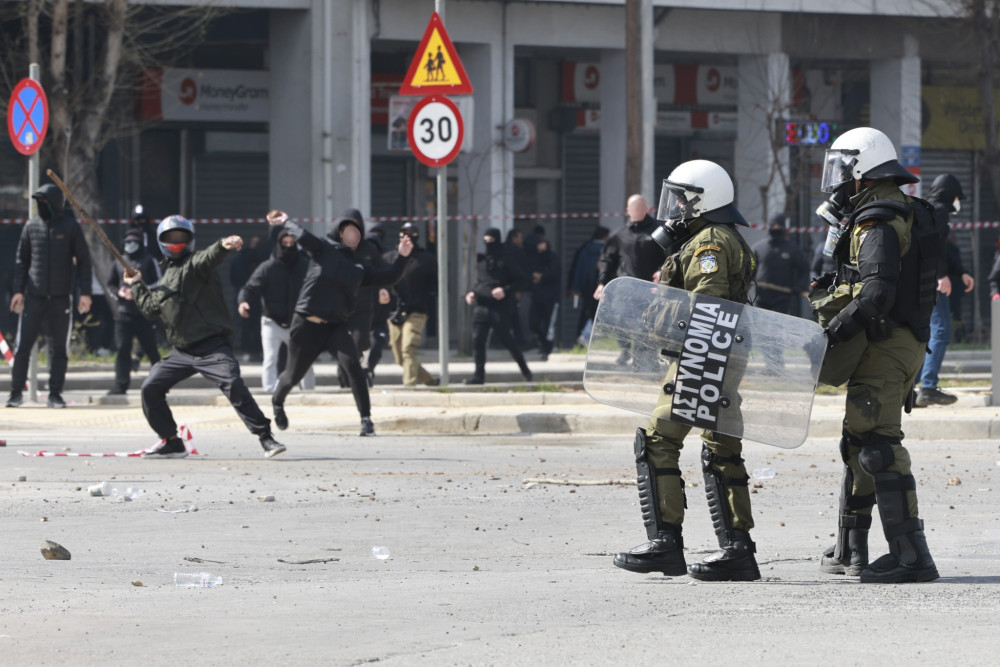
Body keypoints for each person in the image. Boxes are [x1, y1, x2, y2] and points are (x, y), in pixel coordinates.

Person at [612, 159, 761, 582]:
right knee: (721, 447)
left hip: (704, 356)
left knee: (657, 441)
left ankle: (665, 545)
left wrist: (658, 307)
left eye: (680, 199)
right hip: (722, 354)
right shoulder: (719, 236)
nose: (673, 208)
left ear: (702, 200)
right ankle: (738, 552)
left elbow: (705, 309)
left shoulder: (710, 243)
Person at [810, 126, 939, 583]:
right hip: (894, 342)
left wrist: (834, 333)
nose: (838, 180)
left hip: (887, 343)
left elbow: (878, 292)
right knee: (859, 441)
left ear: (862, 170)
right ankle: (850, 549)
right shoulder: (897, 209)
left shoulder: (878, 220)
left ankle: (912, 556)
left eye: (843, 169)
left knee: (879, 446)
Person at [123, 215, 286, 458]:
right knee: (150, 388)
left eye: (181, 237)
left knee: (232, 383)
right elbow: (150, 309)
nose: (177, 242)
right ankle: (171, 441)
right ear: (161, 242)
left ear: (190, 240)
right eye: (171, 238)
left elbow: (210, 255)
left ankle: (265, 436)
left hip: (213, 348)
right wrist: (136, 284)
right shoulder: (165, 280)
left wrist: (224, 244)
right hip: (182, 352)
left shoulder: (196, 264)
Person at [270, 212, 412, 437]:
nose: (353, 235)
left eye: (357, 232)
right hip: (306, 323)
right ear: (338, 232)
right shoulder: (322, 249)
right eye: (348, 231)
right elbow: (302, 235)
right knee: (293, 374)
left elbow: (389, 276)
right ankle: (277, 402)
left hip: (335, 325)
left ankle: (366, 420)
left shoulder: (360, 266)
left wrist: (403, 257)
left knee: (353, 367)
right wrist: (286, 221)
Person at [7, 183, 93, 409]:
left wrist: (85, 293)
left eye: (44, 203)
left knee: (59, 350)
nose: (40, 207)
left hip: (61, 298)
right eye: (38, 203)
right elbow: (21, 261)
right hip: (33, 297)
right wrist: (18, 291)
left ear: (55, 204)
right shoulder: (30, 226)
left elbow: (84, 262)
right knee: (22, 346)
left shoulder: (70, 227)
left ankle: (55, 394)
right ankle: (15, 393)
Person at [915, 174, 973, 407]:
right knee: (940, 331)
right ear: (951, 194)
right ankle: (928, 386)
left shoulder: (931, 210)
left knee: (927, 334)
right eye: (958, 196)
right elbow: (933, 247)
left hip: (924, 280)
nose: (958, 201)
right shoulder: (938, 212)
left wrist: (960, 272)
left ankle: (912, 388)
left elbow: (944, 249)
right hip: (932, 280)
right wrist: (940, 276)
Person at [237, 216, 313, 393]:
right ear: (278, 244)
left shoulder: (305, 265)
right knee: (270, 359)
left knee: (305, 359)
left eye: (291, 242)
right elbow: (249, 288)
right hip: (272, 320)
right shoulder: (268, 267)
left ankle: (310, 392)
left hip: (298, 321)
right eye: (284, 242)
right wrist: (243, 302)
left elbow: (318, 287)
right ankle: (269, 392)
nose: (288, 246)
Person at [464, 227, 533, 385]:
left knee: (507, 340)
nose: (488, 244)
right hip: (481, 305)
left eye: (491, 241)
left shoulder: (506, 259)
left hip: (499, 307)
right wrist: (472, 293)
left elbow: (522, 279)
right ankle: (478, 375)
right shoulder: (481, 260)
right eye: (486, 241)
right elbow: (481, 282)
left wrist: (505, 290)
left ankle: (525, 370)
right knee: (478, 341)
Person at [106, 227, 161, 395]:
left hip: (144, 313)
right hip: (123, 313)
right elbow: (111, 285)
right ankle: (121, 385)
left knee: (151, 349)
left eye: (134, 242)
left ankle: (160, 383)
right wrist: (120, 293)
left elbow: (159, 283)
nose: (130, 245)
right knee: (123, 349)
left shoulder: (149, 260)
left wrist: (139, 290)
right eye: (127, 242)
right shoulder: (119, 261)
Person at [335, 208, 386, 389]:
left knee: (359, 343)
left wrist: (384, 289)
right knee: (343, 346)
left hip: (363, 307)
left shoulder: (369, 250)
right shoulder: (335, 250)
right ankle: (345, 378)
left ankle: (352, 374)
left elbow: (384, 272)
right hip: (339, 307)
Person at [386, 222, 439, 387]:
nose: (407, 239)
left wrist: (429, 295)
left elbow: (437, 284)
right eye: (404, 235)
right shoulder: (390, 258)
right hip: (395, 312)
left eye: (411, 235)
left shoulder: (426, 259)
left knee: (408, 348)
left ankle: (409, 387)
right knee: (400, 356)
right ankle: (428, 379)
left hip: (417, 311)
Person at [594, 194, 666, 300]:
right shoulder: (619, 235)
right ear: (627, 209)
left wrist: (662, 272)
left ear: (646, 208)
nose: (636, 210)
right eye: (633, 207)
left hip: (652, 292)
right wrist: (602, 283)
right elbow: (607, 260)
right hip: (624, 294)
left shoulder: (659, 232)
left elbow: (671, 256)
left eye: (639, 206)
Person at [751, 215, 810, 316]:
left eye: (779, 225)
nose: (776, 228)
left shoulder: (792, 249)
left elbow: (804, 268)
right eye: (774, 225)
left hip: (782, 299)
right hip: (761, 297)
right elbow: (749, 270)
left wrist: (801, 286)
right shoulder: (758, 248)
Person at [569, 226, 608, 347]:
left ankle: (581, 338)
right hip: (601, 288)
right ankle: (592, 340)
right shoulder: (606, 250)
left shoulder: (584, 250)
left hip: (586, 288)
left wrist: (576, 287)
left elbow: (578, 270)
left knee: (586, 312)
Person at [364, 222, 392, 386]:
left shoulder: (384, 266)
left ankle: (369, 370)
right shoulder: (356, 267)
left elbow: (397, 285)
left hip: (379, 318)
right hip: (358, 318)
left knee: (376, 346)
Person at [528, 235, 560, 360]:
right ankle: (542, 345)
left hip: (550, 297)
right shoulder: (535, 258)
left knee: (548, 325)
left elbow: (555, 273)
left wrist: (542, 277)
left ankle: (548, 348)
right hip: (537, 296)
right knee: (533, 323)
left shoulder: (553, 258)